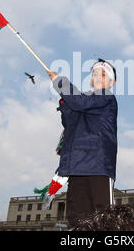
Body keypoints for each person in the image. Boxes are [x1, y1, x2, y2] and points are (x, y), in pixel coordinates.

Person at [46, 58, 118, 227]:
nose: (98, 77)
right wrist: (64, 103)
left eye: (103, 74)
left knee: (103, 216)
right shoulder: (84, 101)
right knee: (77, 217)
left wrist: (60, 83)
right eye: (94, 74)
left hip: (98, 165)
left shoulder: (106, 97)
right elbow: (69, 123)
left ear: (111, 82)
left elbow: (80, 102)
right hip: (77, 166)